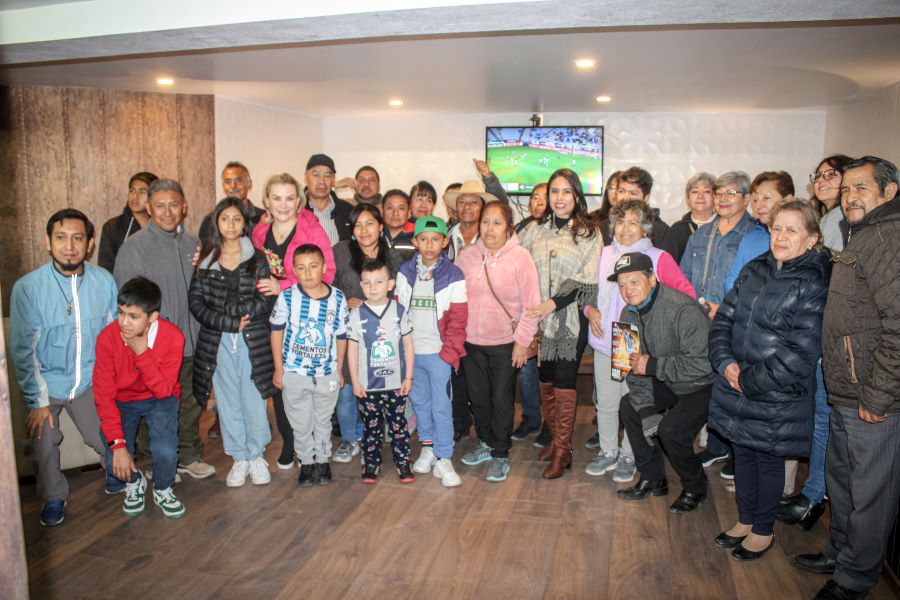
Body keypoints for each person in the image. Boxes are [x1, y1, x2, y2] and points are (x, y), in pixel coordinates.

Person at [794, 156, 900, 600]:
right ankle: (839, 550)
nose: (851, 196)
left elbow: (897, 326)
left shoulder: (887, 237)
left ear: (888, 193)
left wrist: (876, 396)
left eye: (862, 188)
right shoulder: (859, 234)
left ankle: (857, 577)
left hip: (871, 394)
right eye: (847, 189)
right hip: (844, 387)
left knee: (868, 489)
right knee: (841, 478)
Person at [708, 200, 830, 562]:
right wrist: (727, 364)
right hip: (738, 383)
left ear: (812, 239)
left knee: (767, 461)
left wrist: (748, 379)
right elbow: (723, 322)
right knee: (742, 453)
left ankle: (763, 530)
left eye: (792, 230)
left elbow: (801, 352)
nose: (781, 236)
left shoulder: (814, 281)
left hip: (775, 393)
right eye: (777, 228)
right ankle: (745, 521)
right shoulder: (755, 267)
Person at [9, 209, 120, 526]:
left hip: (88, 379)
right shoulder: (28, 288)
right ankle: (54, 496)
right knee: (42, 440)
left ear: (90, 243)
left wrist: (110, 385)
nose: (69, 246)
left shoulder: (104, 282)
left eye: (77, 238)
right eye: (61, 238)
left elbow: (112, 338)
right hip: (47, 383)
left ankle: (114, 469)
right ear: (48, 242)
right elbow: (23, 349)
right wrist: (36, 400)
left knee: (108, 434)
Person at [584, 199, 695, 483]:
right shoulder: (605, 252)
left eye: (633, 222)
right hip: (604, 338)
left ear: (645, 227)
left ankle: (628, 456)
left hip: (635, 342)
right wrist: (590, 310)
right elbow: (589, 290)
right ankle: (607, 451)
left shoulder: (658, 257)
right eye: (620, 222)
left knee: (632, 404)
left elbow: (686, 296)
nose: (625, 229)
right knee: (606, 403)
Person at [113, 179, 216, 481]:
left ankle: (190, 456)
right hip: (154, 347)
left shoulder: (195, 244)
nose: (168, 212)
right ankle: (150, 462)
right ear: (149, 208)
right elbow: (126, 301)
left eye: (174, 204)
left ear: (184, 207)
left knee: (190, 401)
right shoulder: (134, 248)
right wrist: (138, 342)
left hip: (194, 341)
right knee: (155, 406)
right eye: (160, 205)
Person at [778, 156, 853, 532]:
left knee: (826, 424)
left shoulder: (846, 222)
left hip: (835, 344)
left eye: (832, 175)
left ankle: (814, 497)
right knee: (820, 422)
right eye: (818, 175)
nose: (822, 180)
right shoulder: (827, 219)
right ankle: (812, 493)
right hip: (818, 342)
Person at [611, 253, 716, 515]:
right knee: (630, 407)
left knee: (671, 430)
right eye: (622, 285)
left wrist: (654, 365)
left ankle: (695, 487)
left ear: (653, 279)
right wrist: (647, 410)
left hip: (702, 383)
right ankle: (653, 477)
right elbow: (631, 367)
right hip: (668, 379)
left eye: (634, 282)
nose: (628, 290)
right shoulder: (627, 312)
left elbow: (705, 364)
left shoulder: (683, 309)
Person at [189, 198, 277, 487]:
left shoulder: (258, 258)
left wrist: (245, 316)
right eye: (224, 219)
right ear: (216, 222)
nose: (231, 224)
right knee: (227, 400)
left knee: (253, 397)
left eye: (236, 219)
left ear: (244, 223)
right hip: (219, 341)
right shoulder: (205, 259)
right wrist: (229, 323)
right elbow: (196, 302)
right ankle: (239, 457)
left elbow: (267, 296)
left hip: (252, 339)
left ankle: (256, 455)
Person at [519, 168, 601, 479]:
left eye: (566, 191)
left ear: (577, 196)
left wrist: (551, 304)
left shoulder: (589, 232)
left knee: (565, 381)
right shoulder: (535, 230)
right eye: (554, 191)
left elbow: (588, 280)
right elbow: (518, 262)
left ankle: (564, 452)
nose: (560, 198)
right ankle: (555, 441)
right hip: (540, 323)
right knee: (546, 379)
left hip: (570, 321)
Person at [252, 172, 335, 469]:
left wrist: (284, 287)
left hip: (304, 318)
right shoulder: (259, 233)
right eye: (276, 198)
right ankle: (291, 442)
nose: (283, 205)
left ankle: (312, 446)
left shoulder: (312, 230)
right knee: (280, 380)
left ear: (299, 201)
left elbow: (327, 273)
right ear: (266, 201)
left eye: (289, 198)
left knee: (306, 384)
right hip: (268, 316)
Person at [456, 202, 541, 482]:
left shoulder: (521, 258)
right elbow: (454, 298)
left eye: (496, 223)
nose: (489, 229)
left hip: (506, 343)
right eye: (485, 222)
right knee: (478, 399)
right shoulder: (467, 256)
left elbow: (532, 305)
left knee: (501, 400)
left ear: (508, 228)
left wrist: (521, 342)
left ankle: (501, 453)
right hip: (471, 342)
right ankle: (486, 442)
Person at [679, 171, 756, 474]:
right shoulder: (702, 233)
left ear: (745, 198)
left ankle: (737, 453)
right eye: (719, 192)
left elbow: (755, 284)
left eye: (731, 193)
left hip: (734, 323)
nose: (723, 199)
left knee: (734, 386)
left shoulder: (754, 235)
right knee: (709, 386)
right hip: (699, 321)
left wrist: (722, 307)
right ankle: (714, 447)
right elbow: (684, 275)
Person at [93, 277, 187, 519]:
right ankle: (133, 483)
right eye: (121, 313)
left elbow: (164, 390)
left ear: (153, 317)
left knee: (165, 449)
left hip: (160, 397)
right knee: (112, 444)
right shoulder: (107, 338)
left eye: (133, 316)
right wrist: (119, 445)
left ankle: (163, 488)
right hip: (122, 399)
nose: (124, 322)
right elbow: (103, 395)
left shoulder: (173, 337)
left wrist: (141, 353)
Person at [395, 216, 467, 487]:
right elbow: (398, 313)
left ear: (445, 242)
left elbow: (459, 320)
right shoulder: (404, 272)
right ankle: (427, 448)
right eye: (423, 239)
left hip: (439, 354)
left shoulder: (453, 275)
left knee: (442, 406)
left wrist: (449, 354)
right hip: (412, 355)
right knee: (421, 404)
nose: (429, 245)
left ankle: (444, 457)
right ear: (415, 242)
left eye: (435, 239)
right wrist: (401, 353)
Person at [331, 204, 405, 464]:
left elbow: (399, 296)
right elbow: (328, 289)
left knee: (376, 390)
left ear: (380, 226)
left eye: (370, 223)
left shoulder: (393, 257)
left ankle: (371, 441)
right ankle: (350, 440)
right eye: (358, 225)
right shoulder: (340, 252)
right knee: (349, 389)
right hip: (349, 333)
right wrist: (344, 301)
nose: (364, 230)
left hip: (382, 337)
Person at [270, 244, 349, 487]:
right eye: (301, 268)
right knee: (301, 422)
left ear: (324, 268)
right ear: (293, 270)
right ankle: (306, 462)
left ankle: (323, 460)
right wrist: (278, 368)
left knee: (323, 420)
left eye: (313, 266)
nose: (308, 273)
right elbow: (276, 331)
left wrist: (339, 368)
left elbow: (341, 336)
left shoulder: (337, 298)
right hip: (295, 373)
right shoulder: (287, 296)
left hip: (326, 373)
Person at [347, 259, 415, 483]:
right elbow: (353, 350)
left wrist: (408, 377)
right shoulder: (356, 314)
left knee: (398, 426)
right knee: (371, 427)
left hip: (396, 384)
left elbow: (407, 345)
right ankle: (372, 462)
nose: (372, 287)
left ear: (390, 284)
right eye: (367, 283)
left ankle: (402, 461)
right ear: (361, 284)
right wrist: (355, 381)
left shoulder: (399, 311)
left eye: (378, 282)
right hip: (368, 386)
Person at [723, 170, 795, 292]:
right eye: (755, 200)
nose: (758, 206)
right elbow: (731, 283)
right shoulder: (750, 239)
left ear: (787, 200)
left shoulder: (801, 238)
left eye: (766, 198)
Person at [98, 171, 158, 272]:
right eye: (132, 191)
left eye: (142, 192)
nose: (135, 197)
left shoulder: (161, 226)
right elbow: (106, 270)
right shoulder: (112, 227)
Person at [603, 167, 671, 253]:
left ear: (646, 198)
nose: (625, 197)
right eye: (621, 191)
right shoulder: (604, 226)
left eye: (633, 193)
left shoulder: (661, 231)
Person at [199, 162, 265, 243]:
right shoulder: (211, 220)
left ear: (249, 183)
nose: (233, 186)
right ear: (223, 186)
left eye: (238, 180)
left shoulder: (264, 218)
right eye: (228, 182)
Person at [303, 153, 354, 245]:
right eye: (316, 175)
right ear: (306, 177)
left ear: (334, 180)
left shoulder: (348, 211)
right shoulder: (295, 210)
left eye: (327, 175)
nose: (322, 181)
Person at [668, 172, 717, 263]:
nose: (700, 196)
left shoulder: (725, 226)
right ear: (688, 198)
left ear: (715, 196)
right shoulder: (677, 229)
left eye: (707, 191)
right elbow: (671, 266)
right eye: (695, 191)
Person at [809, 154, 852, 250]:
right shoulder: (829, 217)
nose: (820, 180)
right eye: (818, 175)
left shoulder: (840, 217)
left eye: (831, 174)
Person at [381, 189, 416, 258]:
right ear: (382, 212)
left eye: (401, 208)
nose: (395, 213)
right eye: (390, 208)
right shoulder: (374, 237)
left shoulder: (417, 241)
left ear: (409, 213)